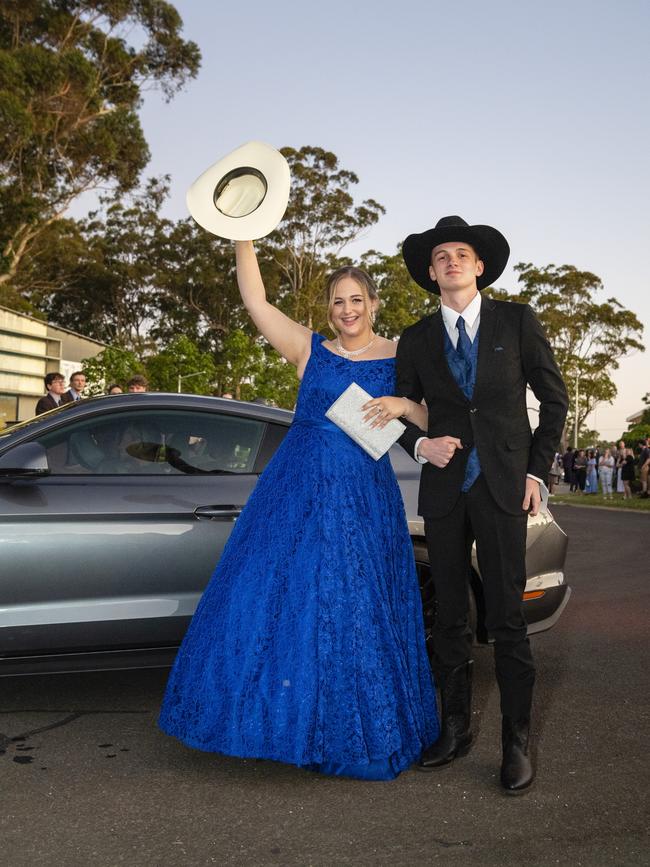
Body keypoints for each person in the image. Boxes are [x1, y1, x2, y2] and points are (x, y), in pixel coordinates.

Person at [159, 240, 438, 780]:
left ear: (374, 303)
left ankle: (356, 734)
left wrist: (404, 405)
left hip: (364, 495)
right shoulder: (308, 350)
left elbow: (432, 416)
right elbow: (256, 301)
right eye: (338, 301)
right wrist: (244, 235)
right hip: (296, 492)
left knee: (356, 605)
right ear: (327, 309)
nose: (348, 310)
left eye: (356, 299)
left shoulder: (403, 352)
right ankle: (291, 726)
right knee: (286, 602)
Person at [371, 215, 568, 793]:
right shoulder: (417, 338)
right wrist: (419, 442)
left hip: (507, 485)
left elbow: (553, 400)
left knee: (507, 618)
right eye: (441, 256)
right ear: (430, 274)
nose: (452, 260)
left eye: (462, 253)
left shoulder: (517, 320)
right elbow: (397, 410)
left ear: (479, 266)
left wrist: (537, 469)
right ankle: (453, 731)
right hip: (445, 491)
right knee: (451, 617)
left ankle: (515, 744)